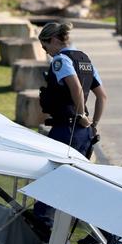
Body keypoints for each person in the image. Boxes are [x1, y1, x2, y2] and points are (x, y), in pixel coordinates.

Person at [37, 21, 107, 157]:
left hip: (66, 130)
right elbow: (102, 96)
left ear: (54, 40)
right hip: (84, 133)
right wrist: (93, 125)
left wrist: (80, 115)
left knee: (56, 174)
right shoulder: (85, 60)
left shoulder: (60, 61)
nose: (46, 52)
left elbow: (76, 88)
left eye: (45, 47)